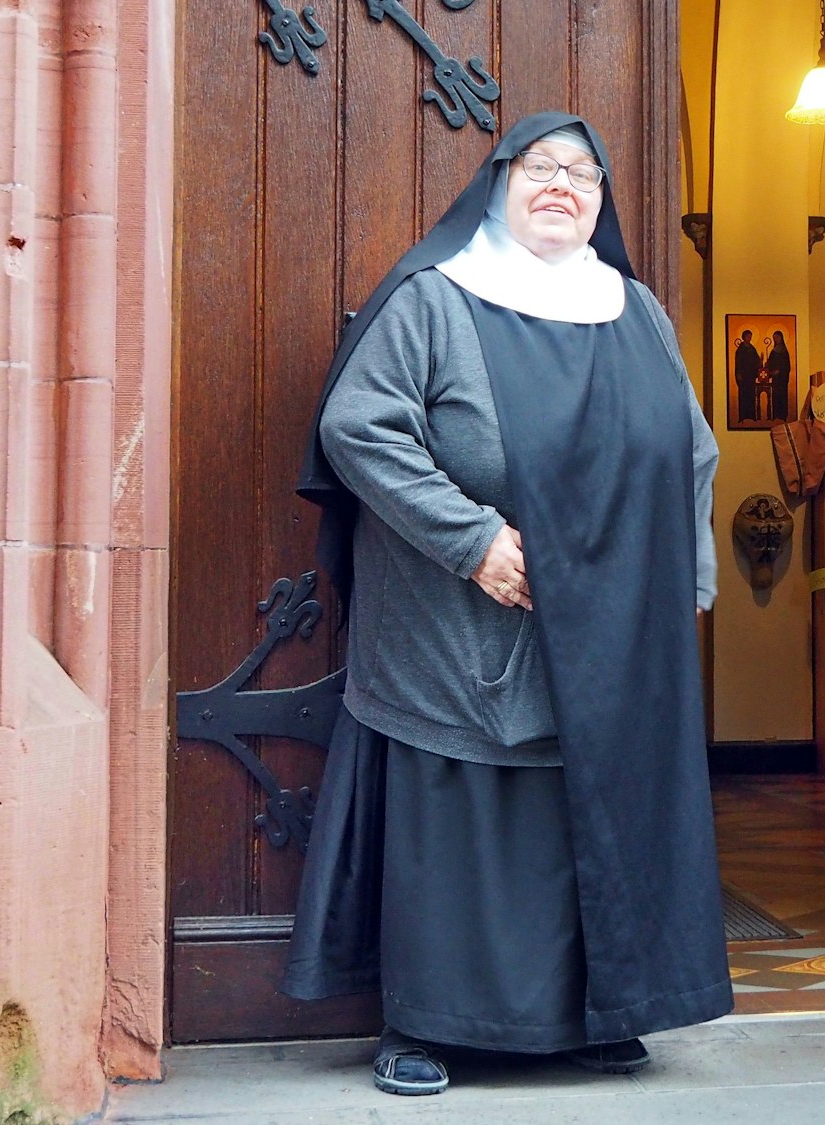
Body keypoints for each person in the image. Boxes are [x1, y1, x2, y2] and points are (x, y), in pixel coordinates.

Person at [285, 113, 731, 1097]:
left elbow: (692, 451)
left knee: (586, 817)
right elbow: (360, 427)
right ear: (497, 183)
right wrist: (472, 540)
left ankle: (591, 1017)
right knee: (462, 829)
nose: (563, 185)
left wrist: (684, 581)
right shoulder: (435, 299)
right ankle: (423, 1025)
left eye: (584, 173)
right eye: (541, 167)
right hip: (460, 630)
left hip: (609, 633)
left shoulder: (635, 309)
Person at [733, 328, 763, 422]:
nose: (749, 338)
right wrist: (738, 374)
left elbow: (756, 360)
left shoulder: (752, 348)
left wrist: (760, 361)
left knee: (751, 395)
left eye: (750, 336)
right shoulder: (740, 350)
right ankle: (743, 416)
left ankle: (751, 415)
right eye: (747, 336)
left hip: (751, 376)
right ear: (743, 337)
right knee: (743, 395)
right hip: (743, 376)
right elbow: (738, 363)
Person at [766, 329, 793, 422]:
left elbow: (787, 366)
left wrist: (780, 371)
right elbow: (770, 363)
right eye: (774, 338)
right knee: (775, 395)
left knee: (782, 395)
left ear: (781, 338)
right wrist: (768, 365)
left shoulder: (784, 351)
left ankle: (782, 415)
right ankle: (775, 414)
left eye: (777, 337)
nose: (776, 339)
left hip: (782, 378)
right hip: (775, 378)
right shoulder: (773, 351)